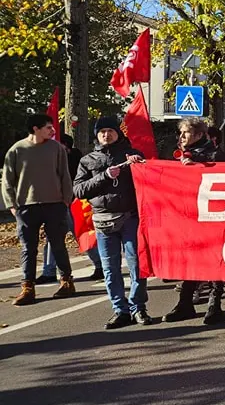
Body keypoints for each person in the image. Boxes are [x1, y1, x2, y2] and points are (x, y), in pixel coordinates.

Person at [73, 116, 151, 329]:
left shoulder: (133, 155)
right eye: (101, 132)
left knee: (137, 265)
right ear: (96, 135)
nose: (106, 135)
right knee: (110, 268)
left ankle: (138, 308)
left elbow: (150, 181)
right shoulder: (87, 160)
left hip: (130, 218)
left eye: (110, 131)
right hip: (102, 221)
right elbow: (78, 190)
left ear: (119, 132)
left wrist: (139, 166)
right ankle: (120, 310)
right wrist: (104, 176)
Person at [4, 114, 75, 305]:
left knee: (58, 244)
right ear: (35, 129)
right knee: (28, 248)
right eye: (48, 128)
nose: (52, 131)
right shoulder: (16, 150)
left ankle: (67, 282)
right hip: (26, 206)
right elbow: (8, 180)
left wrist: (66, 200)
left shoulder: (57, 149)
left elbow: (64, 176)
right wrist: (12, 204)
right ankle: (28, 288)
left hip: (55, 204)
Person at [162, 118, 225, 325]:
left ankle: (214, 304)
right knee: (190, 259)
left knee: (214, 259)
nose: (181, 137)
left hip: (211, 216)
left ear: (199, 135)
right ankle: (185, 303)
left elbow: (222, 175)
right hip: (187, 216)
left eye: (186, 133)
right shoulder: (178, 155)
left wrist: (196, 167)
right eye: (180, 133)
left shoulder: (214, 154)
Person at [39, 133, 103, 283]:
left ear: (66, 146)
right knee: (52, 238)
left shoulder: (73, 158)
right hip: (55, 204)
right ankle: (48, 271)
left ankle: (100, 265)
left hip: (73, 204)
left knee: (81, 234)